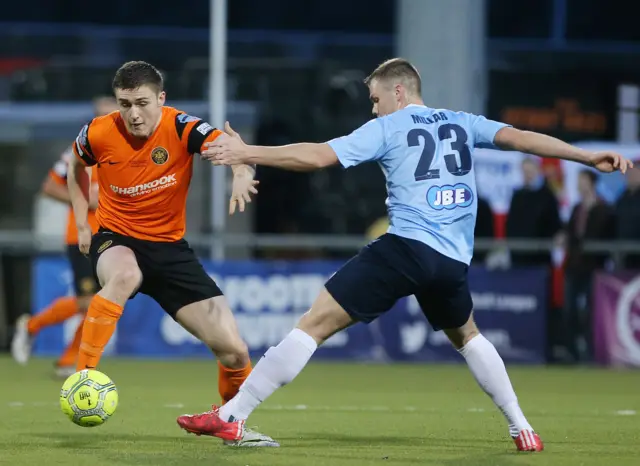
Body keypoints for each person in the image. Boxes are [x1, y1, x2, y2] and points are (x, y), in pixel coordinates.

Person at [177, 58, 633, 451]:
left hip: (407, 248)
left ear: (398, 91)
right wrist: (585, 157)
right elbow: (522, 138)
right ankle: (523, 427)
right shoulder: (462, 121)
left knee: (313, 324)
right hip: (452, 263)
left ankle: (233, 415)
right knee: (469, 336)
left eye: (375, 99)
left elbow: (317, 156)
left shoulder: (389, 126)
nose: (373, 108)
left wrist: (246, 151)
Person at [67, 61, 277, 447]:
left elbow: (236, 153)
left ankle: (232, 423)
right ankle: (82, 378)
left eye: (142, 103)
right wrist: (83, 224)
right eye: (124, 103)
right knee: (125, 276)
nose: (132, 113)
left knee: (234, 351)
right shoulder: (97, 132)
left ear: (161, 99)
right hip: (117, 238)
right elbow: (75, 168)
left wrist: (242, 176)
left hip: (170, 250)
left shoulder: (182, 127)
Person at [12, 96, 117, 378]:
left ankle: (67, 361)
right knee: (88, 302)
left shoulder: (127, 152)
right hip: (83, 235)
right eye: (101, 116)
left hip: (116, 237)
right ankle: (32, 326)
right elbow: (49, 187)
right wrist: (83, 198)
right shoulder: (78, 153)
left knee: (105, 301)